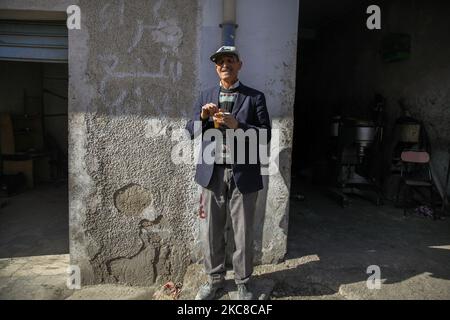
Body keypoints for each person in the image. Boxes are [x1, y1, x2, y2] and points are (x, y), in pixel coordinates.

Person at [186, 46, 271, 300]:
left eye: (230, 61)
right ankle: (214, 280)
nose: (225, 65)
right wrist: (202, 118)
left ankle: (243, 283)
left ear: (239, 65)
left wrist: (238, 125)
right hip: (212, 175)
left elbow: (265, 136)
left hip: (243, 174)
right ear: (216, 68)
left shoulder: (255, 97)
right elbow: (190, 131)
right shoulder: (206, 95)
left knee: (243, 231)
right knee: (211, 229)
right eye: (221, 62)